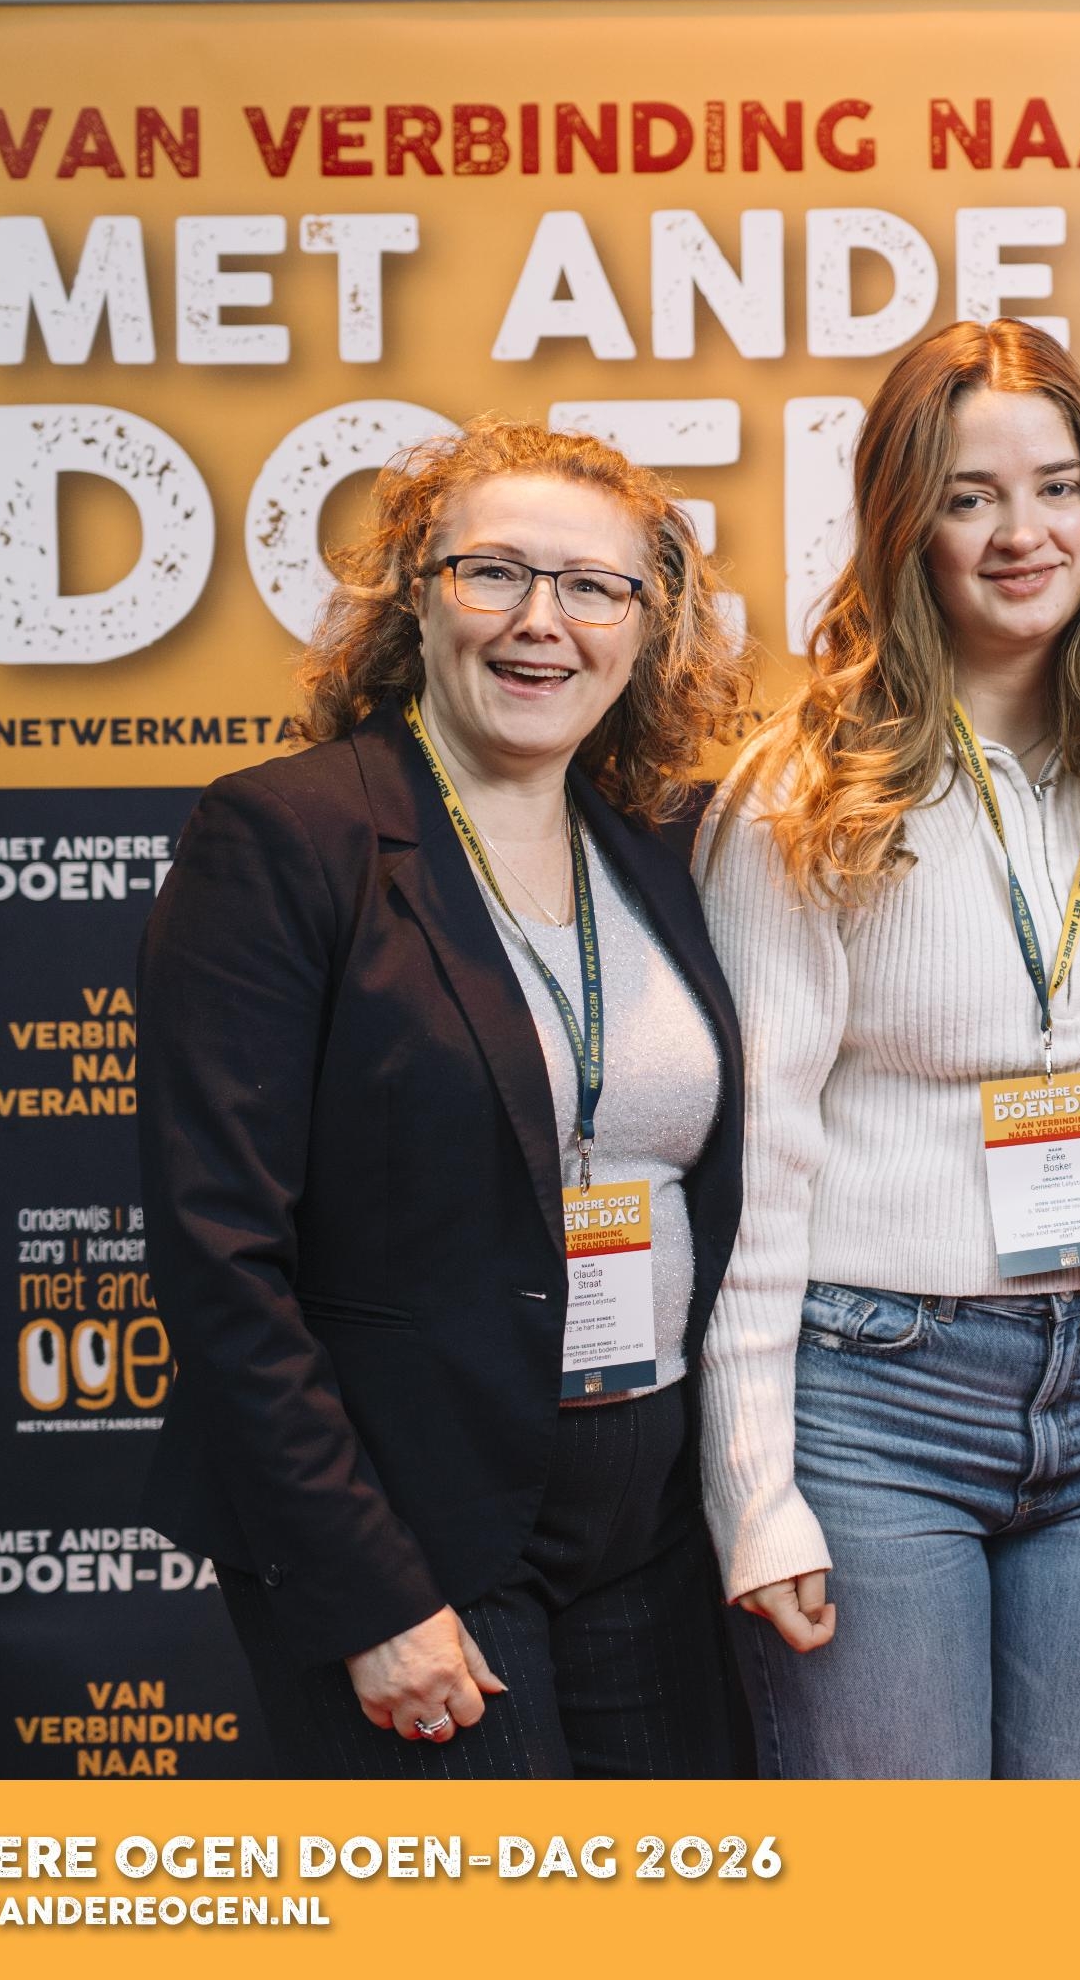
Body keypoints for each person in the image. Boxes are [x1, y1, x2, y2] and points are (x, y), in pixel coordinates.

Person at [137, 417, 754, 1778]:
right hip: (416, 1534)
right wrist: (366, 1591)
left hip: (648, 1527)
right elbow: (219, 1251)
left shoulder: (655, 849)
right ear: (414, 599)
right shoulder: (288, 837)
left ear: (645, 630)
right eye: (496, 573)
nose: (543, 621)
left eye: (593, 587)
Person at [696, 319, 1080, 1777]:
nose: (1022, 534)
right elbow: (757, 1162)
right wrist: (753, 1487)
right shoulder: (804, 790)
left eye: (1057, 488)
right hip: (875, 1388)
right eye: (969, 496)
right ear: (904, 526)